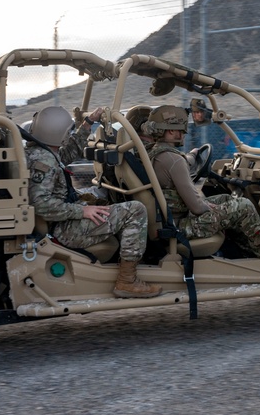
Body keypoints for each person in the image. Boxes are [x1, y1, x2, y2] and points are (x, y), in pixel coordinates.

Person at [26, 105, 161, 298]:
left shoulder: (43, 152)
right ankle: (127, 280)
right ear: (60, 134)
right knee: (136, 210)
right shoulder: (44, 161)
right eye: (68, 132)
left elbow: (68, 153)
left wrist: (88, 123)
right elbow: (41, 205)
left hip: (61, 221)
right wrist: (82, 211)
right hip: (63, 229)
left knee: (104, 202)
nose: (68, 135)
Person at [142, 104, 260, 259]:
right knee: (244, 206)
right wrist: (207, 206)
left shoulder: (154, 153)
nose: (184, 133)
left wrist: (192, 156)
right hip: (179, 227)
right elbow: (197, 207)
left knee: (225, 199)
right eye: (182, 128)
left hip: (169, 221)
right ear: (171, 130)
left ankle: (244, 249)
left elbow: (179, 167)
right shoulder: (174, 161)